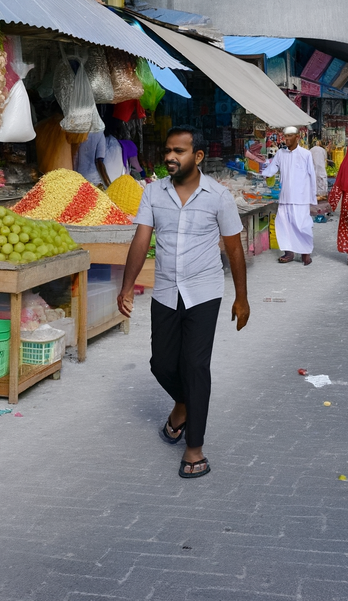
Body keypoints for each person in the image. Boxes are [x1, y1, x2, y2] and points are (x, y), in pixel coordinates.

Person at [117, 126, 249, 480]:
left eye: (179, 151)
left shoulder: (218, 196)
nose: (170, 157)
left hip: (204, 291)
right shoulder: (153, 193)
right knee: (161, 364)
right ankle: (183, 406)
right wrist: (126, 286)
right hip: (165, 291)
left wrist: (242, 298)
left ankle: (195, 449)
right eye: (168, 150)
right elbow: (141, 240)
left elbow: (234, 248)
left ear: (198, 156)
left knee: (194, 365)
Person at [260, 126, 317, 264]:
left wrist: (312, 196)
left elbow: (312, 175)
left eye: (289, 137)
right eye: (285, 137)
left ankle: (305, 252)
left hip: (301, 197)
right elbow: (272, 168)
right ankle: (288, 253)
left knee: (302, 225)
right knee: (284, 225)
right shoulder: (280, 154)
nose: (286, 140)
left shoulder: (305, 154)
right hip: (285, 197)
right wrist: (264, 174)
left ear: (297, 137)